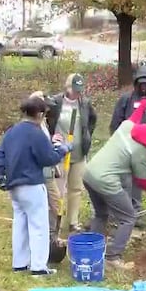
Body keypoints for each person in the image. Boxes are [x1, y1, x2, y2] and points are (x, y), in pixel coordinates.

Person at [0, 96, 71, 277]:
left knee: (20, 223)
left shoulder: (12, 131)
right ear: (40, 114)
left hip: (14, 186)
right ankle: (38, 267)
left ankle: (19, 264)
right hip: (32, 185)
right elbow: (48, 158)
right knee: (39, 225)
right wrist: (63, 149)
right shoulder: (36, 133)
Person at [83, 110, 146, 270]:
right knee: (128, 217)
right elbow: (143, 181)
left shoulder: (128, 127)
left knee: (101, 213)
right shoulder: (143, 149)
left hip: (89, 173)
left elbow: (132, 117)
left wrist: (142, 106)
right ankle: (112, 257)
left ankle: (91, 251)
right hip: (105, 180)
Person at [109, 65, 146, 231]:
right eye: (141, 84)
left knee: (138, 181)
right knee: (124, 181)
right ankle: (120, 214)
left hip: (144, 151)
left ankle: (135, 213)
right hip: (126, 148)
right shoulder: (126, 100)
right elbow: (115, 124)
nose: (144, 87)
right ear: (136, 83)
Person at [45, 73, 98, 234]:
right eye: (74, 89)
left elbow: (92, 120)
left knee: (76, 188)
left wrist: (86, 136)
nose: (77, 93)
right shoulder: (56, 102)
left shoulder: (85, 104)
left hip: (79, 154)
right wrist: (52, 137)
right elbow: (46, 122)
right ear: (67, 87)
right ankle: (56, 222)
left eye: (79, 89)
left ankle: (73, 222)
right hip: (59, 154)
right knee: (59, 189)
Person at [30, 91, 64, 245]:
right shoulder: (33, 125)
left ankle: (50, 234)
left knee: (54, 203)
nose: (48, 111)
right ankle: (50, 236)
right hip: (42, 171)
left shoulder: (42, 123)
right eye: (46, 108)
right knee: (55, 203)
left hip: (47, 169)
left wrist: (51, 140)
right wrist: (59, 151)